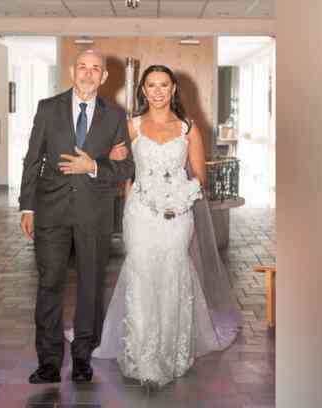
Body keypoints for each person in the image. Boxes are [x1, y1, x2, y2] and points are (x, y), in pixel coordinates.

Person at [92, 65, 241, 388]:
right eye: (151, 85)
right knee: (143, 277)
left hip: (178, 214)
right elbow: (116, 168)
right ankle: (144, 359)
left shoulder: (188, 128)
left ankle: (172, 354)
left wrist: (180, 194)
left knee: (173, 276)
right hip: (140, 213)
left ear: (173, 89)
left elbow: (199, 178)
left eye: (163, 85)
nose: (157, 91)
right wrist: (116, 161)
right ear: (143, 91)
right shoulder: (130, 126)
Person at [18, 49, 135, 384]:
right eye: (82, 67)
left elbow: (126, 167)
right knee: (50, 284)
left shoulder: (114, 116)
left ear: (104, 77)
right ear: (72, 71)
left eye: (95, 69)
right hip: (50, 212)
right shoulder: (48, 108)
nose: (88, 73)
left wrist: (95, 166)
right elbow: (32, 160)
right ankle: (49, 362)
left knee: (90, 286)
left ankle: (83, 356)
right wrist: (28, 206)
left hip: (93, 214)